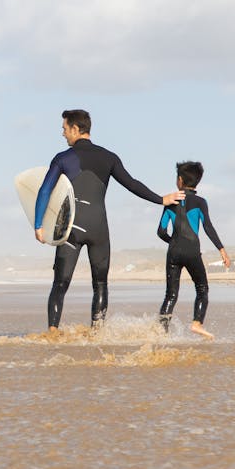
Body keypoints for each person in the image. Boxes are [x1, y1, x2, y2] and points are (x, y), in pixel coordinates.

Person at [34, 109, 184, 330]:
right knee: (101, 284)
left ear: (76, 129)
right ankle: (98, 332)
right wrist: (160, 199)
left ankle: (53, 332)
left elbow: (45, 191)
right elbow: (132, 184)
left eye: (65, 129)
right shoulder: (109, 157)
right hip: (99, 229)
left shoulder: (63, 158)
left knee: (60, 283)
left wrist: (38, 224)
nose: (63, 134)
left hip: (70, 228)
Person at [157, 160, 230, 340]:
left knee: (171, 294)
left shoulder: (170, 201)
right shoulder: (200, 202)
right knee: (202, 288)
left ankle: (161, 332)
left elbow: (160, 231)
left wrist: (174, 242)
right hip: (192, 251)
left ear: (179, 180)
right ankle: (197, 323)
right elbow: (208, 227)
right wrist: (222, 251)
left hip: (173, 252)